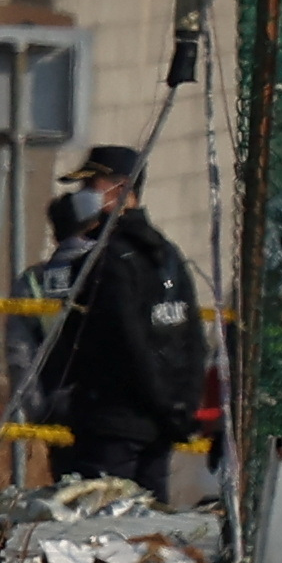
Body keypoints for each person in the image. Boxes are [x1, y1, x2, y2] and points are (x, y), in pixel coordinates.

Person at [37, 146, 215, 488]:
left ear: (119, 189)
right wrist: (180, 406)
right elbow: (190, 337)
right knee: (150, 523)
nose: (83, 195)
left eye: (92, 184)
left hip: (113, 419)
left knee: (105, 529)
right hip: (158, 421)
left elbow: (127, 340)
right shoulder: (165, 253)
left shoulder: (112, 258)